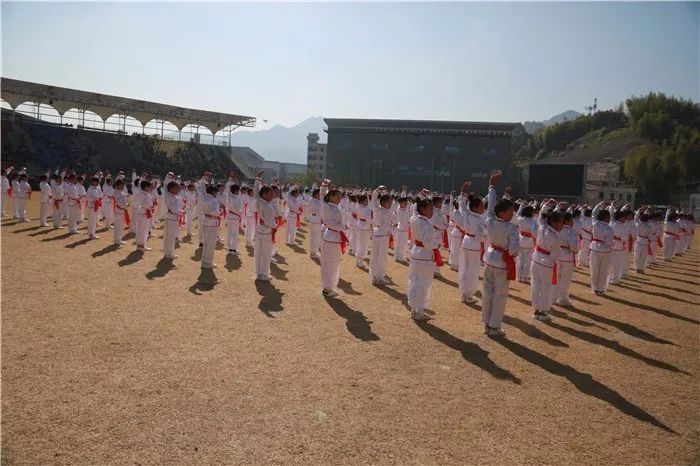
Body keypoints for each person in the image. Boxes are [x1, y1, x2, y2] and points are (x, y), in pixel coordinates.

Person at [481, 172, 519, 337]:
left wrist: (491, 187)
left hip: (490, 258)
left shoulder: (490, 221)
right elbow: (514, 249)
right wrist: (513, 252)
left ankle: (487, 323)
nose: (512, 213)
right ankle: (495, 327)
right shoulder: (510, 228)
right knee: (500, 295)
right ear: (502, 213)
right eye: (510, 211)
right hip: (502, 262)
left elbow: (490, 207)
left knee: (488, 293)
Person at [407, 197, 443, 320]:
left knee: (414, 281)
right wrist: (436, 245)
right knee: (424, 283)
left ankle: (414, 309)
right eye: (430, 208)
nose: (432, 211)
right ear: (422, 209)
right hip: (425, 254)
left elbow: (413, 213)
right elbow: (428, 244)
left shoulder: (414, 219)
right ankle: (420, 311)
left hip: (416, 252)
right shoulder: (427, 225)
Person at [530, 207, 563, 321]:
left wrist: (546, 206)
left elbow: (541, 216)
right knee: (545, 287)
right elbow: (556, 254)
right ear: (554, 223)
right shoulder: (555, 237)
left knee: (535, 285)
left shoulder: (542, 228)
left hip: (535, 258)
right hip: (546, 262)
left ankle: (536, 310)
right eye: (561, 223)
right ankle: (543, 311)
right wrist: (551, 260)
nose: (562, 225)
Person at [456, 181, 485, 304]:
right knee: (472, 270)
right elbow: (482, 236)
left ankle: (464, 293)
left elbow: (461, 204)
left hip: (466, 241)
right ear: (474, 207)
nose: (483, 208)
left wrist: (463, 192)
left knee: (464, 268)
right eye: (481, 206)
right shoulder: (480, 219)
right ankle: (468, 294)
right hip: (474, 243)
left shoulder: (467, 213)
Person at [320, 183, 348, 297]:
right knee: (329, 263)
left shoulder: (335, 207)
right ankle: (327, 288)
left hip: (335, 237)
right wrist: (323, 187)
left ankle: (330, 286)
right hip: (331, 236)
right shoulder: (326, 206)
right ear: (330, 196)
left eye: (340, 197)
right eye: (337, 197)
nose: (339, 199)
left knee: (334, 263)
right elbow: (329, 223)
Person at [253, 173, 278, 281]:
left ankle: (259, 273)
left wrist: (257, 179)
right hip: (267, 230)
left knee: (258, 252)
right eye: (271, 194)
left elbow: (256, 192)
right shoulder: (268, 207)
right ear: (264, 194)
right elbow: (270, 222)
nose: (273, 196)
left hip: (259, 229)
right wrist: (276, 224)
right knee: (266, 253)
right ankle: (264, 274)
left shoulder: (259, 201)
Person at [369, 186, 393, 285]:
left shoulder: (386, 211)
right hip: (381, 234)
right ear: (383, 202)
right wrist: (377, 190)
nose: (391, 204)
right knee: (381, 256)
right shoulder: (378, 209)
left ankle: (376, 276)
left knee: (376, 255)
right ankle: (378, 276)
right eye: (389, 202)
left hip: (378, 233)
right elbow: (374, 200)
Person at [589, 201, 614, 295]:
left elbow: (594, 213)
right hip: (605, 250)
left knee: (594, 270)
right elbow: (610, 243)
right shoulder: (609, 229)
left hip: (594, 248)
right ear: (607, 218)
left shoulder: (595, 223)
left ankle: (595, 288)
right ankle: (601, 289)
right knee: (603, 270)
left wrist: (599, 204)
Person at [555, 212, 578, 306]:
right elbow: (573, 246)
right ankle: (562, 299)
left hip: (556, 254)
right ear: (567, 221)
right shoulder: (571, 231)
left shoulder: (556, 229)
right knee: (565, 279)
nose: (573, 222)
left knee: (555, 277)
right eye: (571, 220)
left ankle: (552, 297)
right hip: (567, 256)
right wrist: (575, 250)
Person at [516, 202, 537, 283]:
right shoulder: (533, 222)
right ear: (530, 212)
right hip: (528, 242)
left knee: (519, 259)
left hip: (520, 239)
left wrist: (521, 206)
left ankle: (518, 277)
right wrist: (535, 237)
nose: (533, 213)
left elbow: (517, 214)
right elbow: (534, 233)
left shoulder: (520, 219)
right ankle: (524, 277)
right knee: (527, 260)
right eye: (532, 211)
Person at [200, 184, 220, 268]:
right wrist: (219, 213)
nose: (216, 194)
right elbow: (215, 212)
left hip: (205, 220)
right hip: (212, 222)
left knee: (206, 243)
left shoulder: (203, 198)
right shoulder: (214, 200)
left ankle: (204, 261)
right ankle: (208, 263)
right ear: (213, 192)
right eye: (216, 193)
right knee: (211, 244)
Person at [163, 181, 182, 260]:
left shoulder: (173, 196)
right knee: (169, 237)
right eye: (176, 188)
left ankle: (170, 252)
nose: (178, 190)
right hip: (171, 217)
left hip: (173, 217)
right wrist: (181, 212)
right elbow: (173, 209)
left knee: (172, 236)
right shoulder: (169, 196)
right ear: (171, 189)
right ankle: (168, 254)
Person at [134, 179, 155, 251]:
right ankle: (142, 245)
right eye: (149, 187)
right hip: (144, 213)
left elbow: (137, 204)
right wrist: (150, 207)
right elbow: (147, 205)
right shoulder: (146, 195)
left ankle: (139, 245)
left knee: (140, 229)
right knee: (144, 230)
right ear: (146, 187)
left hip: (140, 213)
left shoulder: (140, 194)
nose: (150, 189)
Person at [608, 207, 627, 285]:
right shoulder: (623, 227)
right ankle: (615, 280)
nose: (625, 219)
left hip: (610, 245)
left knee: (610, 263)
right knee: (617, 264)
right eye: (624, 217)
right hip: (618, 246)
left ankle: (610, 278)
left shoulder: (611, 223)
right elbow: (625, 238)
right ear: (620, 218)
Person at [354, 194, 372, 269]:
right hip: (365, 226)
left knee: (359, 243)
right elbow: (369, 219)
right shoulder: (367, 209)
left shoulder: (357, 207)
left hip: (359, 225)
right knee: (363, 245)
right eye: (366, 200)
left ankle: (358, 260)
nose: (367, 202)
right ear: (364, 201)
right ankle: (360, 261)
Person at [226, 182, 244, 255]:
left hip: (229, 217)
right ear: (237, 191)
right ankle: (233, 249)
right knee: (234, 234)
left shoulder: (229, 197)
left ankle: (229, 248)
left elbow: (227, 189)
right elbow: (239, 210)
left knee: (229, 233)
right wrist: (241, 211)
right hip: (235, 217)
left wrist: (230, 182)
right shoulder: (237, 199)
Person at [634, 207, 653, 273]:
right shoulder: (650, 227)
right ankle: (641, 268)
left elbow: (635, 218)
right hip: (645, 242)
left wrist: (639, 210)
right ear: (648, 220)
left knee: (637, 256)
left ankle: (637, 268)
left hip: (638, 241)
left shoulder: (638, 225)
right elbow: (650, 235)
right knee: (643, 257)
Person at [393, 196, 411, 263]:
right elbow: (404, 221)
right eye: (404, 203)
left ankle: (397, 256)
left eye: (406, 203)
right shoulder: (401, 210)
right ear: (400, 203)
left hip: (402, 228)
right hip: (402, 228)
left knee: (400, 243)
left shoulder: (403, 209)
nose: (406, 204)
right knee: (402, 244)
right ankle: (400, 256)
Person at [112, 178, 129, 246]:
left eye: (123, 185)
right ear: (117, 186)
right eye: (120, 185)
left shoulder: (121, 192)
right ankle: (117, 239)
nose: (122, 187)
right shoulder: (116, 193)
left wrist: (126, 204)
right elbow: (119, 202)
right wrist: (125, 205)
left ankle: (119, 239)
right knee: (118, 226)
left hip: (121, 210)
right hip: (119, 210)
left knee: (121, 225)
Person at [308, 188, 323, 259]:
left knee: (314, 237)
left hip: (314, 219)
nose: (320, 195)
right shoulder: (316, 201)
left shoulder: (313, 200)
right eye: (319, 194)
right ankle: (314, 252)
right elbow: (319, 211)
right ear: (316, 194)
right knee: (316, 237)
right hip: (316, 219)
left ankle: (313, 252)